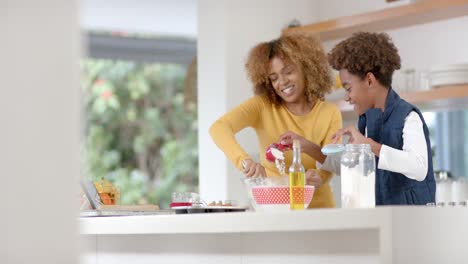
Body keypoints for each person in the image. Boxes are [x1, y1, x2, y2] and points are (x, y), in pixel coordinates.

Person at [209, 32, 342, 208]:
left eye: (288, 72)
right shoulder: (262, 106)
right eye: (274, 78)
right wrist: (245, 161)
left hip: (319, 210)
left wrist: (319, 176)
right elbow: (219, 128)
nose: (282, 82)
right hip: (275, 209)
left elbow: (332, 162)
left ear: (306, 68)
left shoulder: (330, 112)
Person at [327, 32, 436, 205]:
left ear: (369, 80)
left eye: (348, 88)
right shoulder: (368, 120)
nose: (347, 97)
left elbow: (419, 167)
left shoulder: (408, 116)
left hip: (413, 222)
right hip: (383, 220)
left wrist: (370, 146)